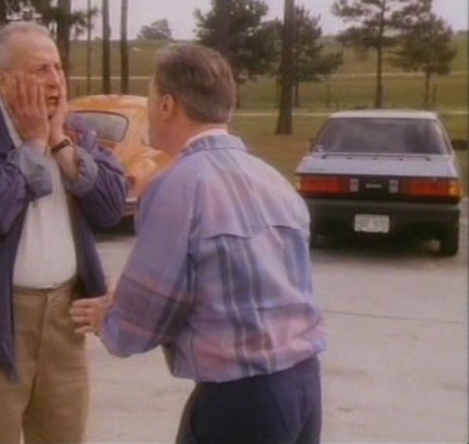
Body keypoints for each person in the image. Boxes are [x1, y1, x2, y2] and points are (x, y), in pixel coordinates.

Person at [70, 43, 326, 444]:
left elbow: (143, 319)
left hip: (242, 401)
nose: (149, 109)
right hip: (305, 386)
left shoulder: (178, 186)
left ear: (167, 105)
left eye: (151, 98)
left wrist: (110, 319)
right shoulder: (272, 180)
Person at [0, 21, 128, 444]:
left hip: (64, 321)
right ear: (4, 81)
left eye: (58, 67)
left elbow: (112, 206)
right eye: (41, 70)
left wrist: (60, 144)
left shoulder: (76, 131)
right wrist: (35, 144)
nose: (56, 80)